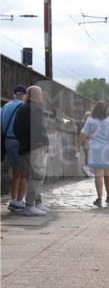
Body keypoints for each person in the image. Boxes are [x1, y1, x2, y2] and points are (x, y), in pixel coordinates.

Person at [13, 85, 49, 216]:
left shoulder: (22, 108)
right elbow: (41, 128)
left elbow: (16, 128)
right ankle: (30, 205)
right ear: (36, 96)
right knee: (37, 176)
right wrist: (45, 143)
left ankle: (37, 203)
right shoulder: (37, 109)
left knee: (30, 176)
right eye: (40, 94)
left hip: (24, 147)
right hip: (36, 147)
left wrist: (23, 141)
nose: (42, 97)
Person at [79, 100, 109, 207]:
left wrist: (78, 147)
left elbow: (83, 134)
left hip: (95, 149)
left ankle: (98, 197)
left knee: (98, 174)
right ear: (106, 110)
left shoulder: (90, 120)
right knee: (107, 173)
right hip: (108, 150)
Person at [2, 85, 29, 213]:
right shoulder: (24, 108)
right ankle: (19, 201)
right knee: (24, 173)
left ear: (14, 94)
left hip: (7, 141)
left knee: (15, 172)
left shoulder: (5, 107)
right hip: (19, 142)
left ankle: (13, 199)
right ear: (24, 95)